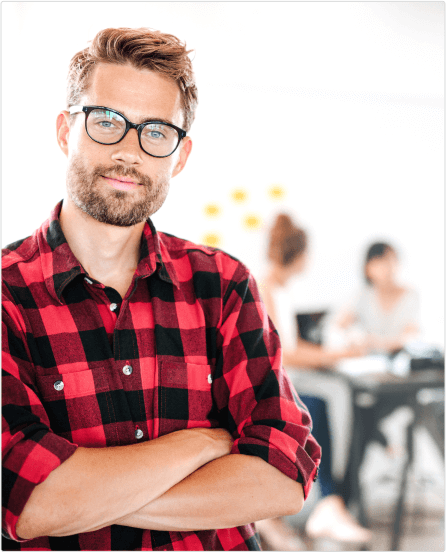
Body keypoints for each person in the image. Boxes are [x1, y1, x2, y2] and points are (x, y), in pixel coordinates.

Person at [1, 28, 321, 551]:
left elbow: (283, 475)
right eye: (107, 122)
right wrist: (201, 444)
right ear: (65, 132)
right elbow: (28, 501)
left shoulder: (224, 285)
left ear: (181, 155)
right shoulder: (6, 295)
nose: (130, 151)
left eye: (156, 131)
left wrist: (82, 496)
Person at [256, 214, 372, 548]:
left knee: (341, 393)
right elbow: (284, 354)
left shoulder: (280, 289)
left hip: (289, 376)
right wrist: (337, 357)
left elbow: (291, 342)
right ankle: (330, 501)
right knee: (333, 397)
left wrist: (333, 353)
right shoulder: (266, 288)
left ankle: (334, 501)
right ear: (299, 254)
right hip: (272, 384)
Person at [336, 242, 419, 354]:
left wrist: (376, 343)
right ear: (367, 268)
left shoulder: (411, 295)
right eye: (380, 263)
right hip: (370, 361)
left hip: (403, 360)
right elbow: (339, 326)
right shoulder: (363, 295)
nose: (387, 268)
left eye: (390, 261)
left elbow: (411, 336)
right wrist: (354, 339)